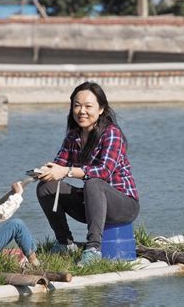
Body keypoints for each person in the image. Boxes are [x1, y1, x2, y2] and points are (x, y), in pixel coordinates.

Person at [36, 81, 139, 266]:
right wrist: (45, 172)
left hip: (123, 204)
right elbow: (59, 165)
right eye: (77, 105)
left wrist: (66, 171)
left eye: (88, 106)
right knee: (46, 187)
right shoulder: (73, 136)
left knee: (94, 182)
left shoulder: (112, 134)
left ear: (101, 109)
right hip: (93, 204)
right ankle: (65, 244)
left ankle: (93, 250)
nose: (81, 111)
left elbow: (104, 172)